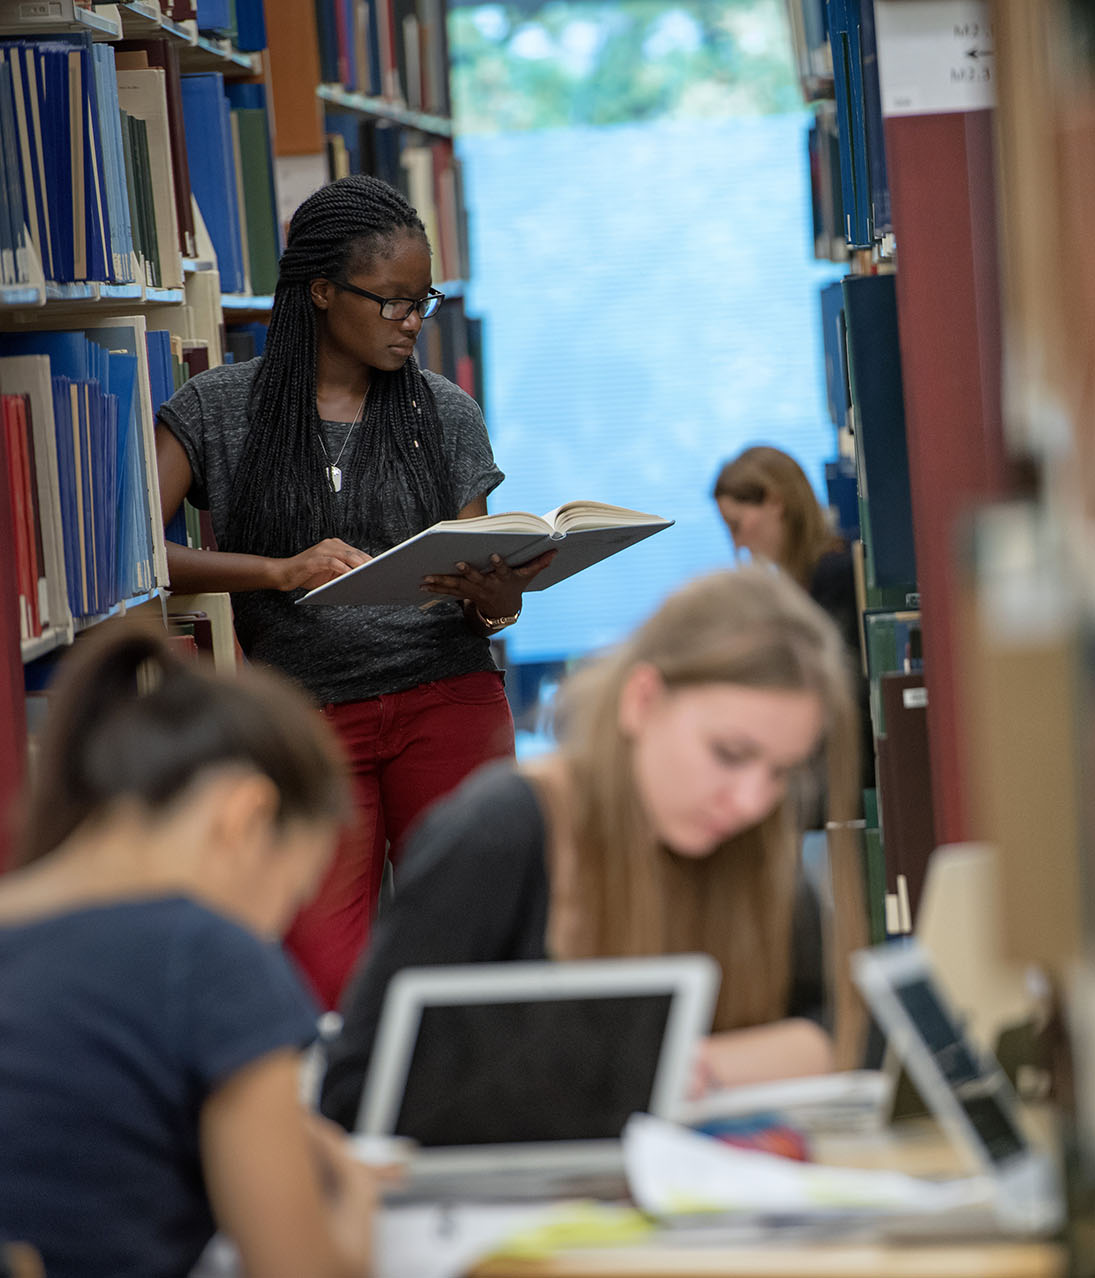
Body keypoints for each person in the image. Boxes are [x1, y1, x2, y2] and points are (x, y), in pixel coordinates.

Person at [154, 174, 553, 1009]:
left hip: (447, 698)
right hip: (303, 719)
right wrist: (275, 571)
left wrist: (499, 594)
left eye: (424, 301)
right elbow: (133, 554)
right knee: (324, 975)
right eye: (393, 302)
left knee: (477, 957)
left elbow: (489, 597)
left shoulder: (444, 415)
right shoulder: (219, 408)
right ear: (323, 291)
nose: (412, 322)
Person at [319, 568, 866, 1127]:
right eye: (729, 753)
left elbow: (829, 1030)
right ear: (642, 701)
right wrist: (639, 1070)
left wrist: (693, 1065)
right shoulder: (500, 832)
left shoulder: (750, 839)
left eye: (782, 772)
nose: (752, 801)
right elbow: (356, 1090)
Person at [0, 625, 376, 1278]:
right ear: (245, 817)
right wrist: (358, 1202)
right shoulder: (210, 954)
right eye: (289, 897)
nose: (272, 931)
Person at [712, 445, 873, 796]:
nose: (737, 545)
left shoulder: (835, 576)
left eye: (737, 526)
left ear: (774, 501)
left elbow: (838, 691)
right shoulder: (800, 586)